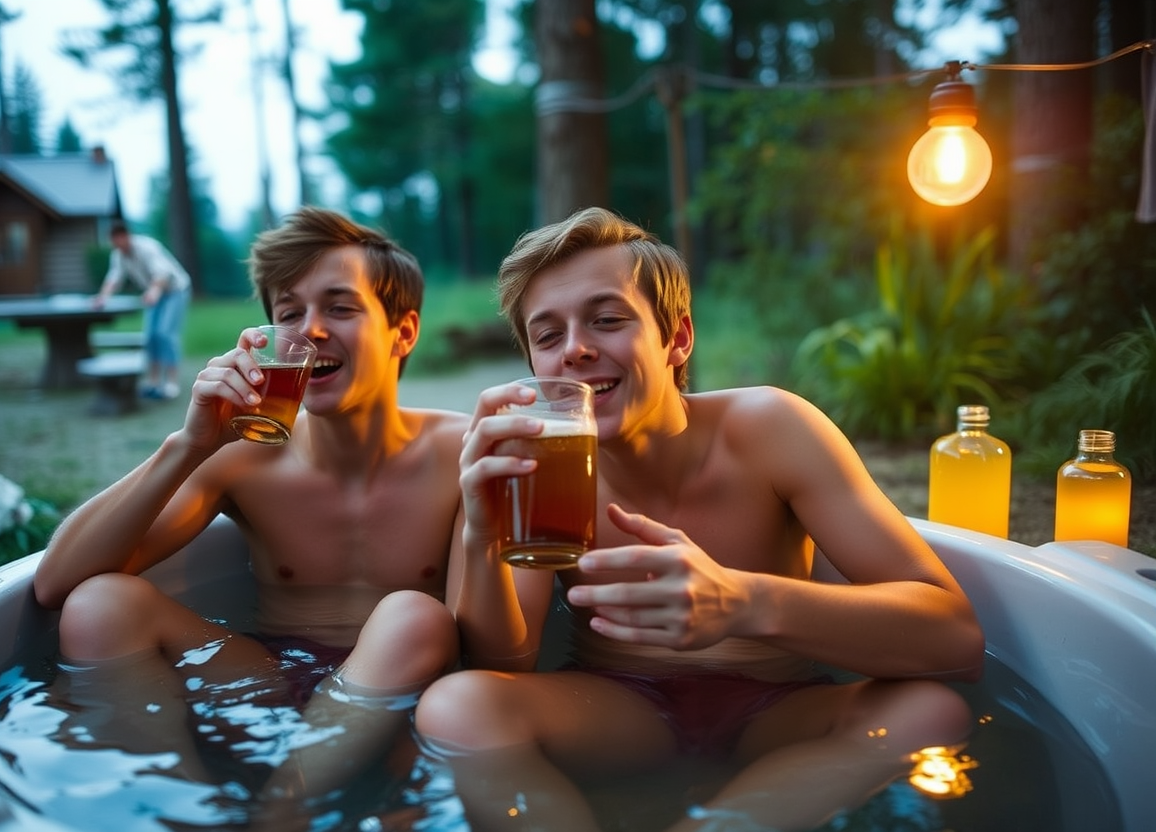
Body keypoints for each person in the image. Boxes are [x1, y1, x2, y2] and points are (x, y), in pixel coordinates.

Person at [414, 206, 986, 831]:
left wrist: (744, 602)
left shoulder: (771, 430)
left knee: (928, 710)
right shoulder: (538, 463)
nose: (575, 349)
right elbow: (506, 667)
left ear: (677, 339)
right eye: (548, 336)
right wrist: (482, 529)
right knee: (456, 707)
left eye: (607, 320)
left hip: (779, 707)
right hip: (619, 708)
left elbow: (954, 640)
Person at [34, 206, 468, 819]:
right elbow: (57, 583)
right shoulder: (241, 457)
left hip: (407, 702)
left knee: (413, 615)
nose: (310, 330)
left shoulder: (462, 450)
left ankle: (277, 815)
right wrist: (187, 446)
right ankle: (190, 807)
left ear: (403, 332)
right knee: (100, 604)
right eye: (290, 313)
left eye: (340, 308)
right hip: (262, 688)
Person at [92, 221, 191, 399]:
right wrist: (102, 297)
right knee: (150, 335)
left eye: (118, 240)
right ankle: (153, 381)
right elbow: (114, 278)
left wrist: (154, 291)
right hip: (153, 293)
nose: (116, 245)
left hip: (174, 290)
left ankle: (171, 382)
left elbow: (163, 273)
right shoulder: (119, 255)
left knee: (165, 334)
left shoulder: (147, 247)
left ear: (125, 236)